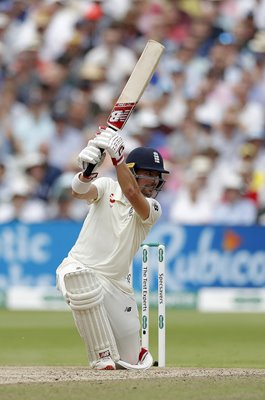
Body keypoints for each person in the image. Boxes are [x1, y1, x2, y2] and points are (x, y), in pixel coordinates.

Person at [56, 126, 169, 370]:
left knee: (129, 361)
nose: (154, 181)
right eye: (149, 174)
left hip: (117, 286)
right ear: (132, 172)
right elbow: (78, 192)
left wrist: (117, 157)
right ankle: (102, 356)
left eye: (157, 176)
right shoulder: (107, 186)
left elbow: (131, 192)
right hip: (79, 266)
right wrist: (86, 173)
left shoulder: (152, 209)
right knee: (79, 280)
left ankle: (129, 354)